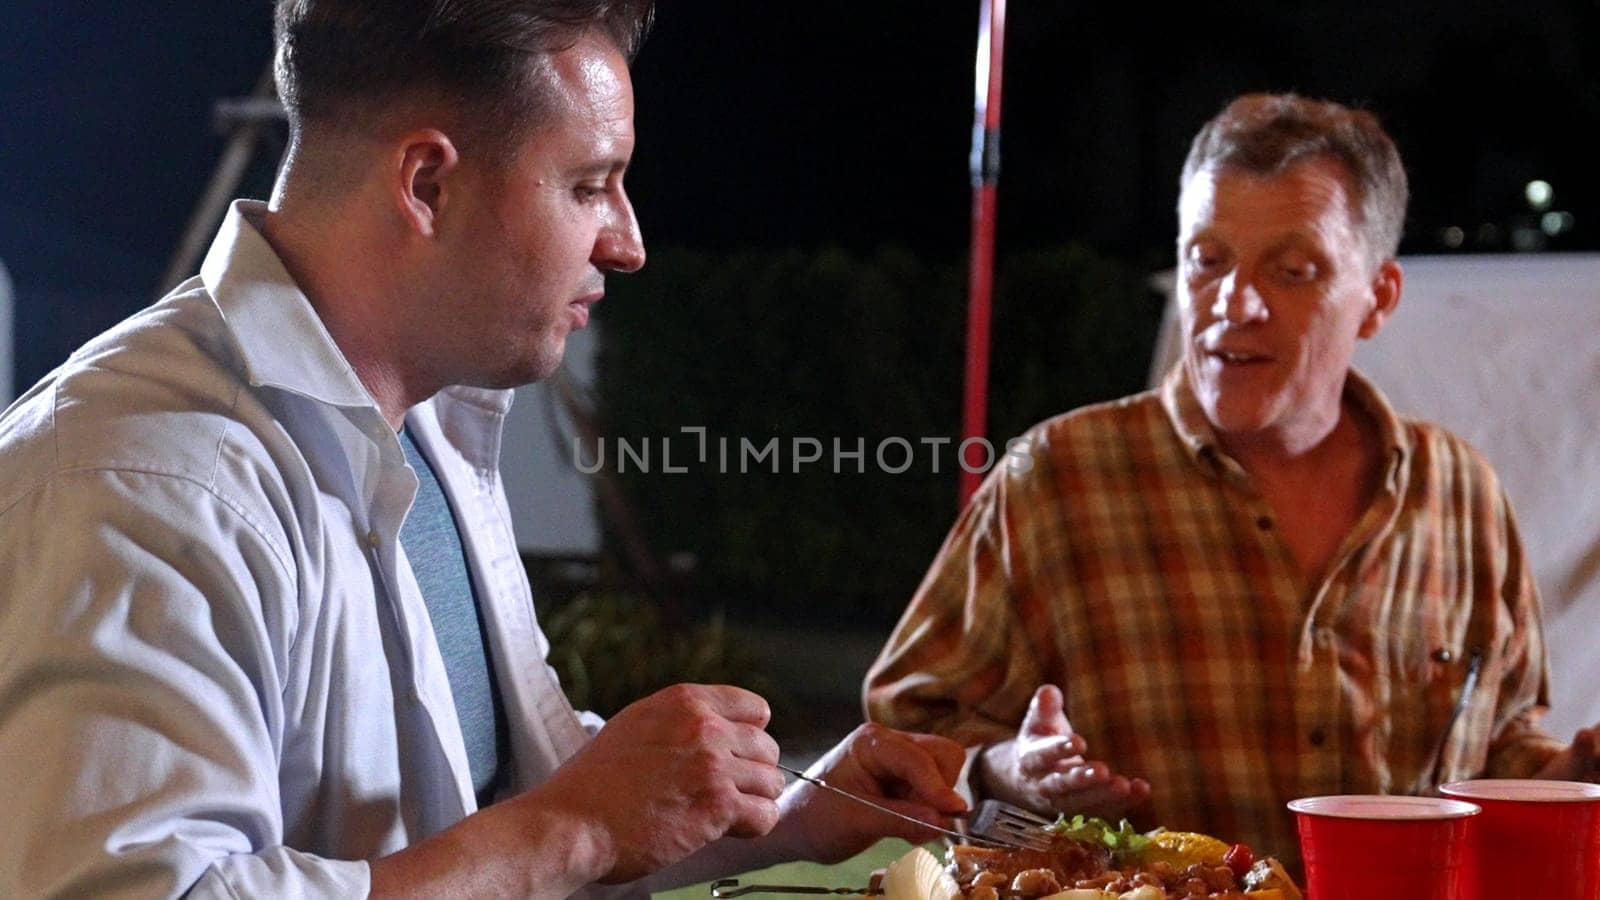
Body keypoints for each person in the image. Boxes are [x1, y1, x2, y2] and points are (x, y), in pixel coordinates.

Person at [0, 2, 969, 897]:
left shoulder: (426, 425)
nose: (627, 241)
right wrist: (575, 826)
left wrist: (788, 815)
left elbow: (490, 820)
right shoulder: (140, 479)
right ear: (428, 183)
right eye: (591, 184)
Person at [864, 93, 1600, 869]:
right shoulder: (1058, 480)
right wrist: (1013, 772)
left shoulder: (1460, 493)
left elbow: (1501, 746)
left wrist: (1578, 772)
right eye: (1206, 260)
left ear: (1378, 298)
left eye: (1291, 270)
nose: (1232, 304)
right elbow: (907, 740)